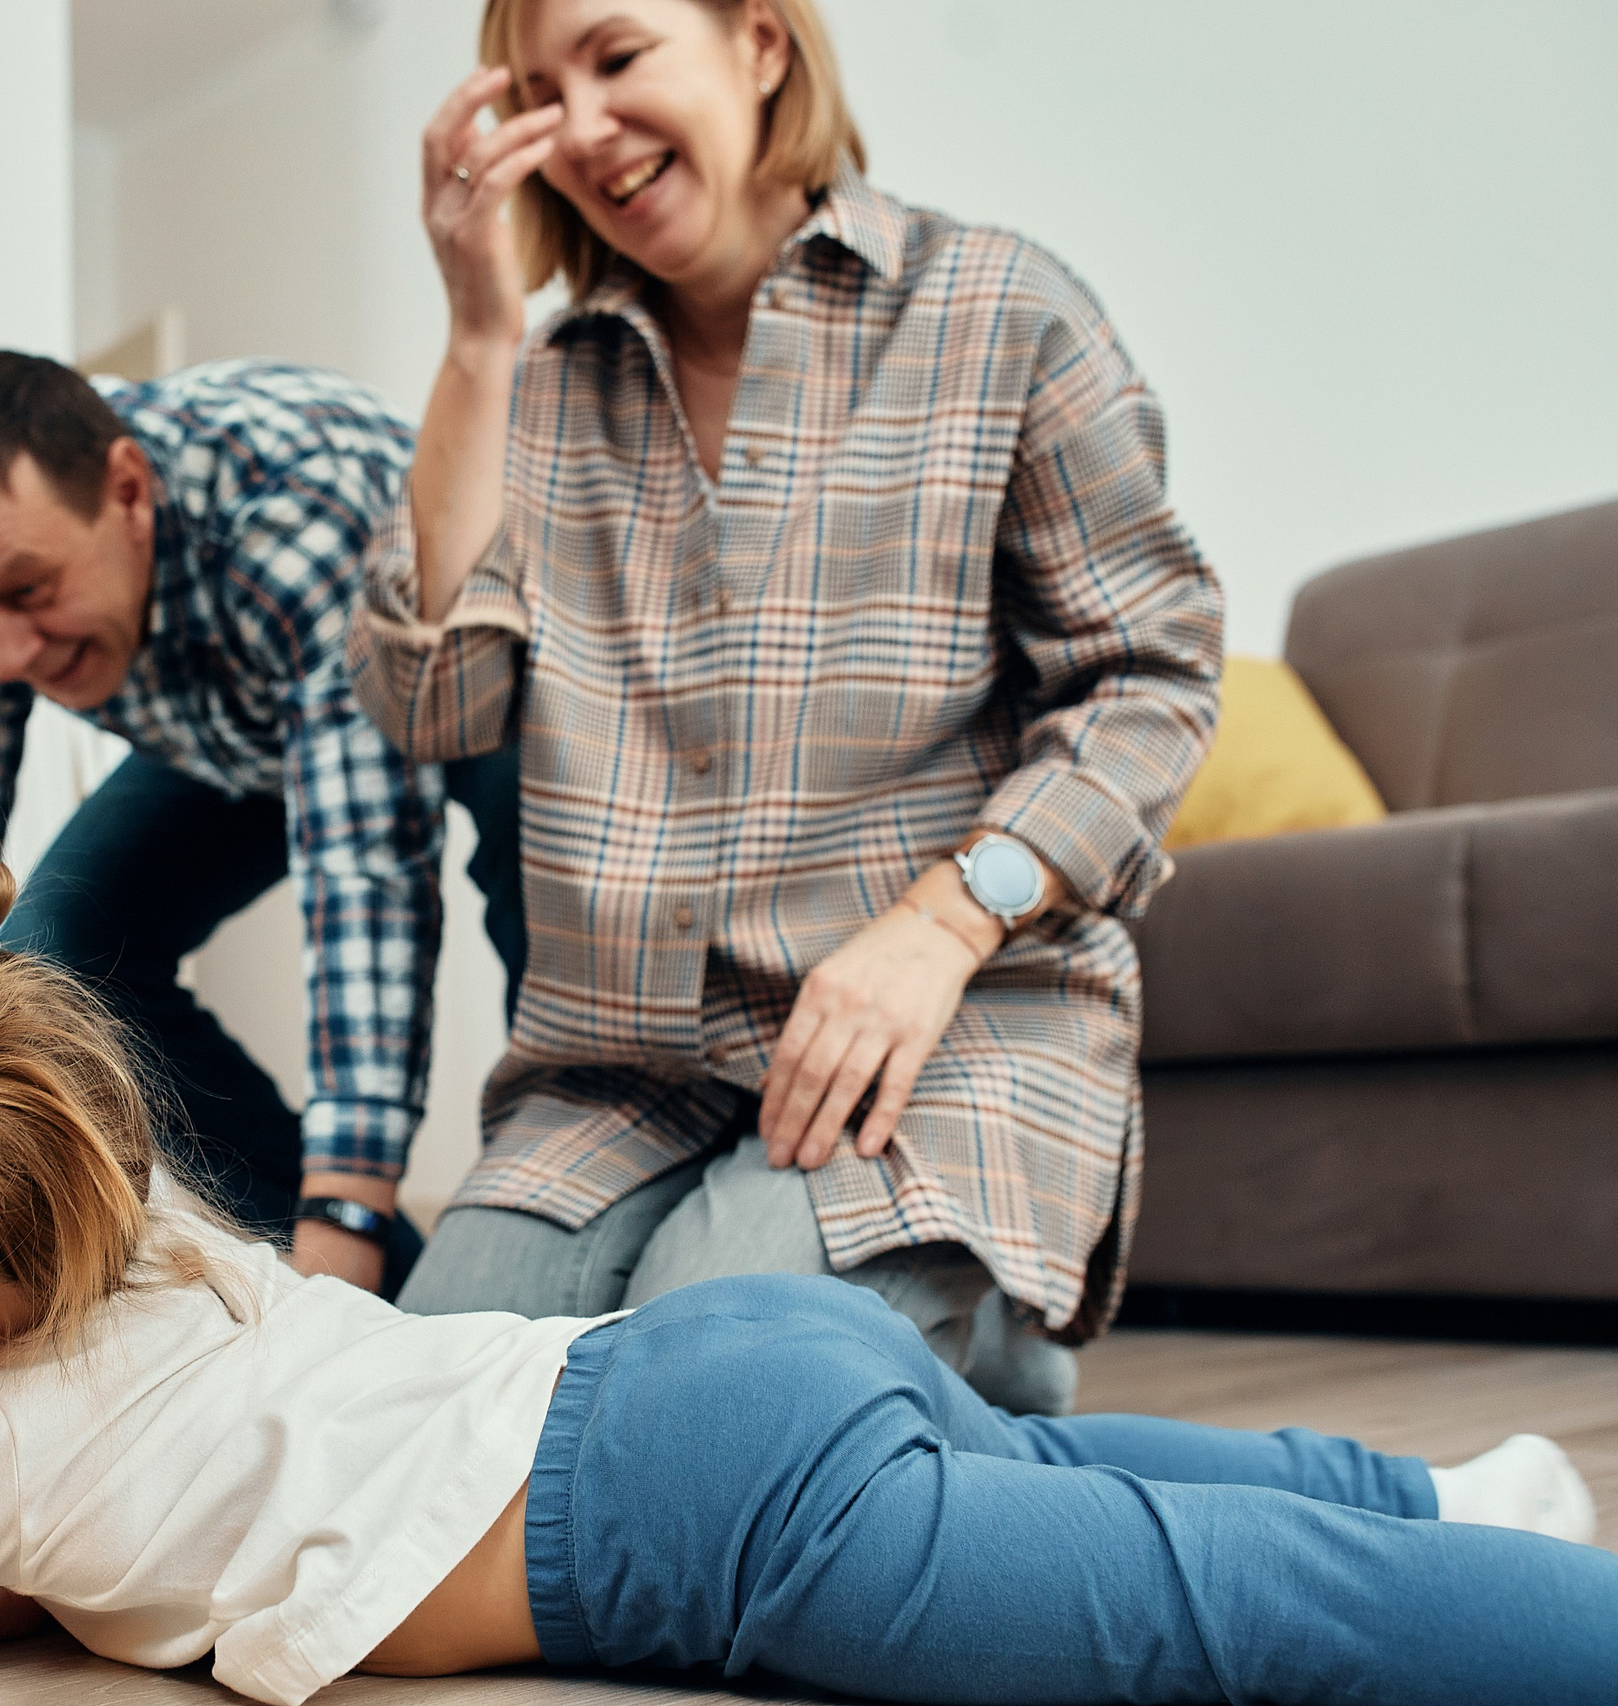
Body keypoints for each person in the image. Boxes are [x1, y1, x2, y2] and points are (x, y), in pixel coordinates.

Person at [0, 864, 1612, 1706]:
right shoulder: (145, 1262)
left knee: (1178, 1629)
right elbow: (123, 1500)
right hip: (690, 1364)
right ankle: (1456, 1491)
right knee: (1067, 1474)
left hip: (700, 1510)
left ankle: (1543, 1626)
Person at [348, 0, 1225, 1411]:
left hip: (939, 1032)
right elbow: (434, 699)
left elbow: (1153, 676)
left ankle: (967, 1341)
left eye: (620, 58)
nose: (578, 128)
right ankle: (950, 1380)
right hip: (622, 1082)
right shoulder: (542, 389)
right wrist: (474, 330)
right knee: (411, 1423)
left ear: (761, 46)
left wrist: (943, 921)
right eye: (534, 91)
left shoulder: (1004, 311)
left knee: (683, 1412)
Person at [0, 351, 525, 1299]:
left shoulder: (293, 523)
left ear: (127, 492)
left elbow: (365, 881)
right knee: (60, 954)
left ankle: (538, 1220)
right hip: (247, 729)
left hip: (461, 660)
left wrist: (346, 1215)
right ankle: (384, 1305)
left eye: (30, 594)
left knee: (540, 886)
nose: (2, 655)